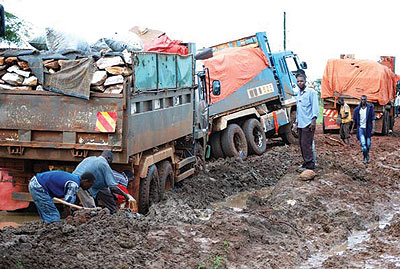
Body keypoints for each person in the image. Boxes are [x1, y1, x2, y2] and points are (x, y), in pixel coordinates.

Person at [28, 170, 95, 223]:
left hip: (35, 183)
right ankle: (52, 234)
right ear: (86, 181)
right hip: (39, 187)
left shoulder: (74, 178)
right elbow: (67, 203)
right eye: (90, 185)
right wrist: (69, 217)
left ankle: (46, 229)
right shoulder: (74, 184)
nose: (89, 188)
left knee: (46, 214)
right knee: (54, 217)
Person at [294, 73, 319, 171]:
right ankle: (306, 162)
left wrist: (313, 120)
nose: (300, 83)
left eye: (301, 81)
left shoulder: (311, 92)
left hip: (308, 123)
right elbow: (298, 110)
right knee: (301, 144)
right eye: (298, 81)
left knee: (306, 144)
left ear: (305, 81)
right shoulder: (298, 94)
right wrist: (296, 123)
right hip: (301, 122)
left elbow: (315, 107)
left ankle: (310, 165)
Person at [352, 95, 375, 163]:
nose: (363, 101)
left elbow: (373, 119)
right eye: (362, 99)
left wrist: (373, 128)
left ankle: (367, 154)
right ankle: (365, 158)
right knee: (363, 144)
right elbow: (354, 120)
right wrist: (352, 129)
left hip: (368, 129)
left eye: (364, 99)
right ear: (360, 100)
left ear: (366, 100)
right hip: (361, 129)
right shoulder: (357, 109)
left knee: (368, 144)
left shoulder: (370, 109)